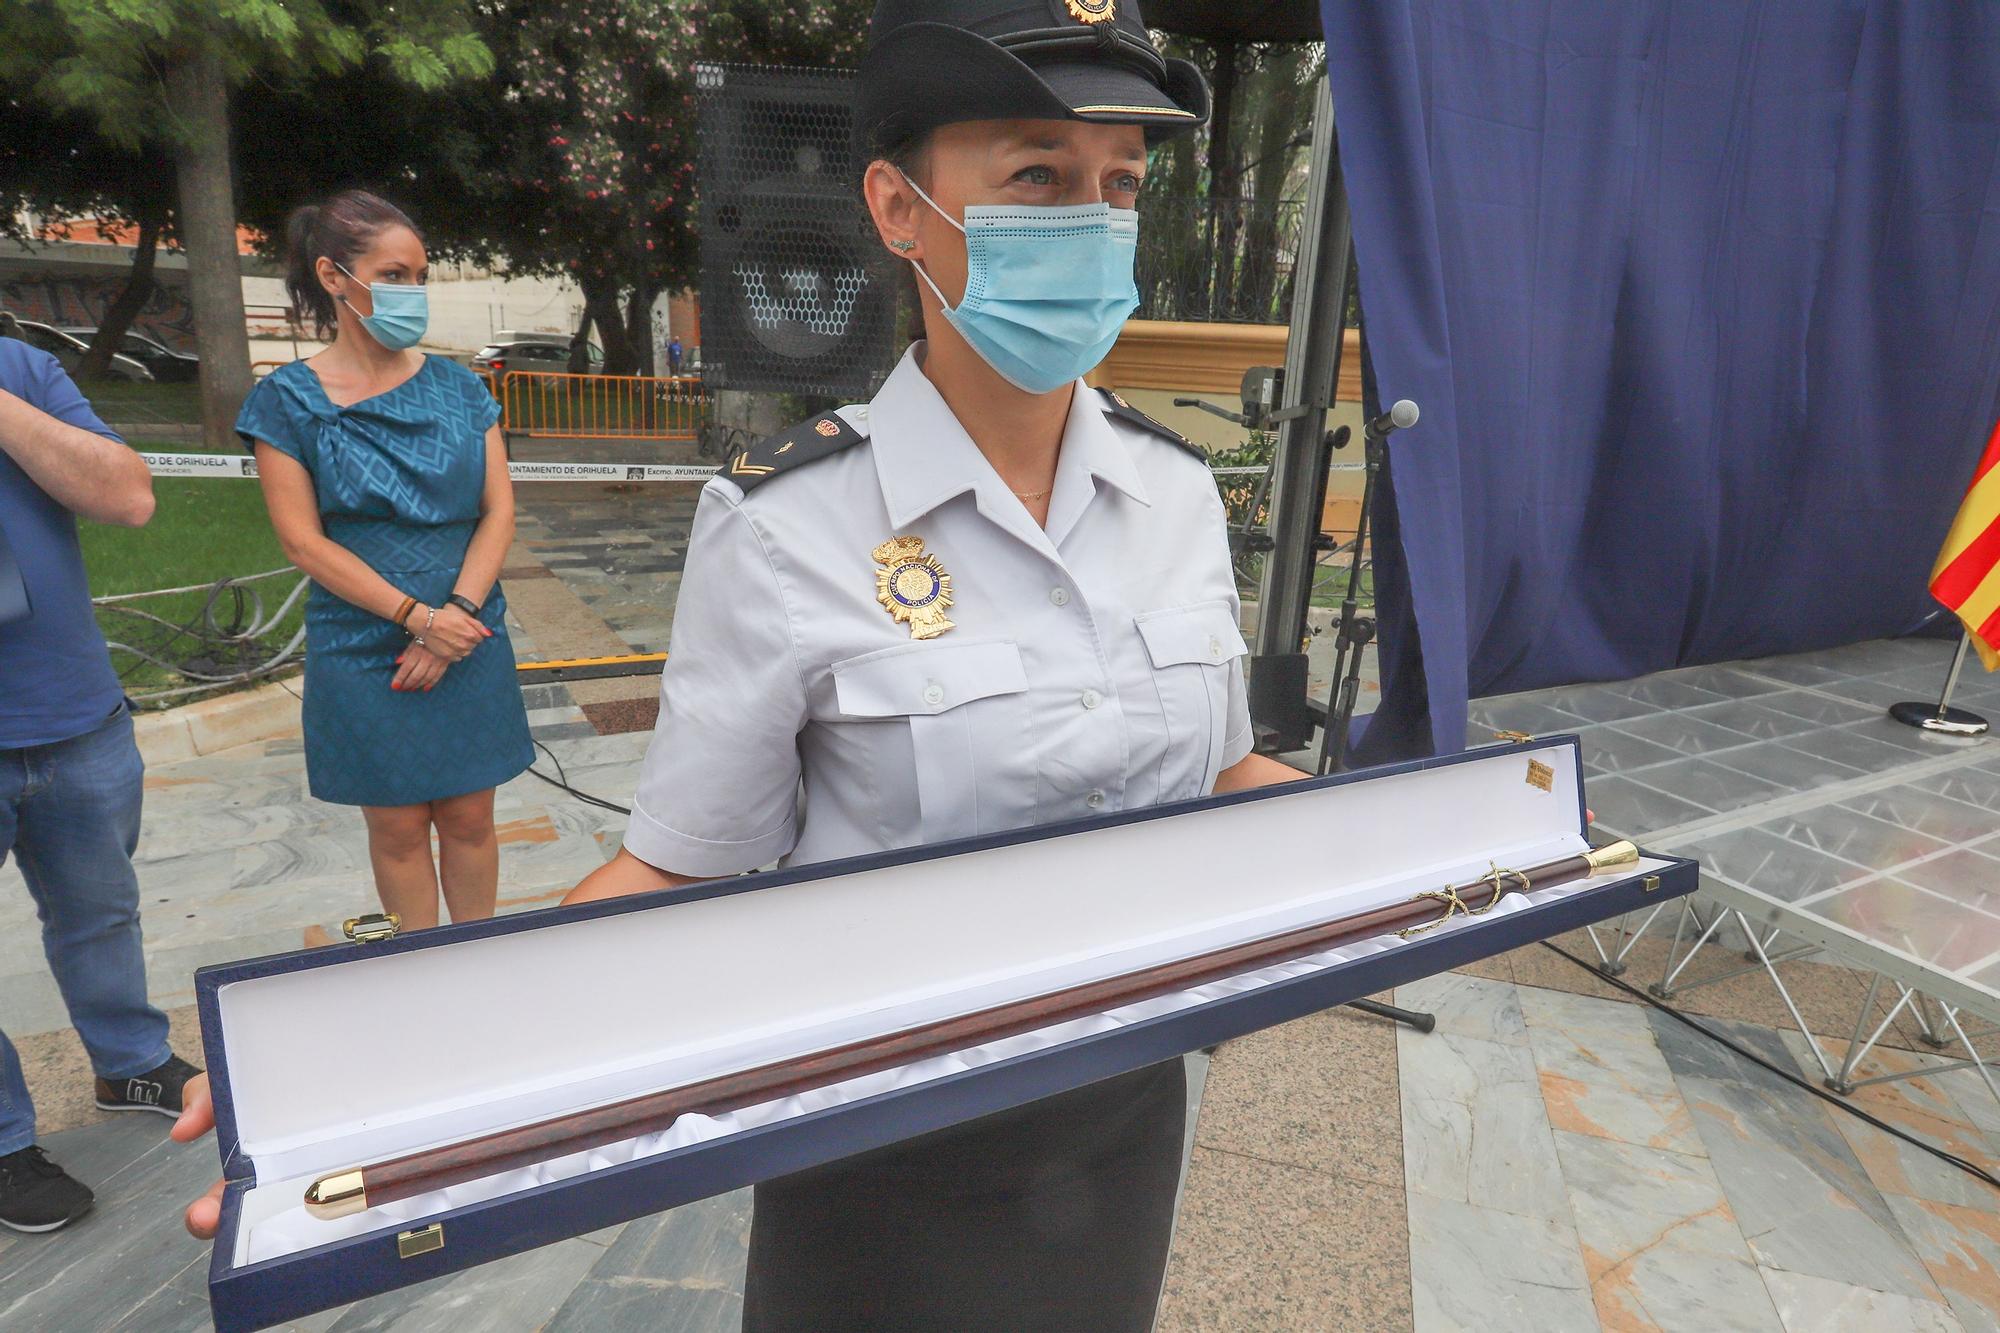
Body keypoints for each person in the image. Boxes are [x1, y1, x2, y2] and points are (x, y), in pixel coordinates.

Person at [174, 1, 1299, 1315]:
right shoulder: (786, 526)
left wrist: (1438, 845)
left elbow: (1226, 779)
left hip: (1120, 1127)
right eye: (1038, 175)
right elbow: (674, 866)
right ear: (896, 206)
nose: (1095, 224)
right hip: (878, 1149)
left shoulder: (1174, 497)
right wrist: (387, 1053)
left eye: (1122, 185)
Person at [236, 190, 533, 931]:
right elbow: (302, 541)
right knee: (397, 827)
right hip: (364, 640)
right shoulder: (285, 401)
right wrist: (415, 618)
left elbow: (499, 510)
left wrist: (455, 616)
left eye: (419, 275)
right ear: (335, 276)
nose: (413, 292)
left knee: (470, 816)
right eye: (395, 274)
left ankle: (478, 959)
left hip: (469, 630)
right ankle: (418, 975)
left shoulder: (462, 388)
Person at [0, 325, 202, 1234]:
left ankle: (130, 1060)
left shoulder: (18, 367)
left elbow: (128, 496)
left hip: (74, 714)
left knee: (98, 909)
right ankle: (4, 1140)